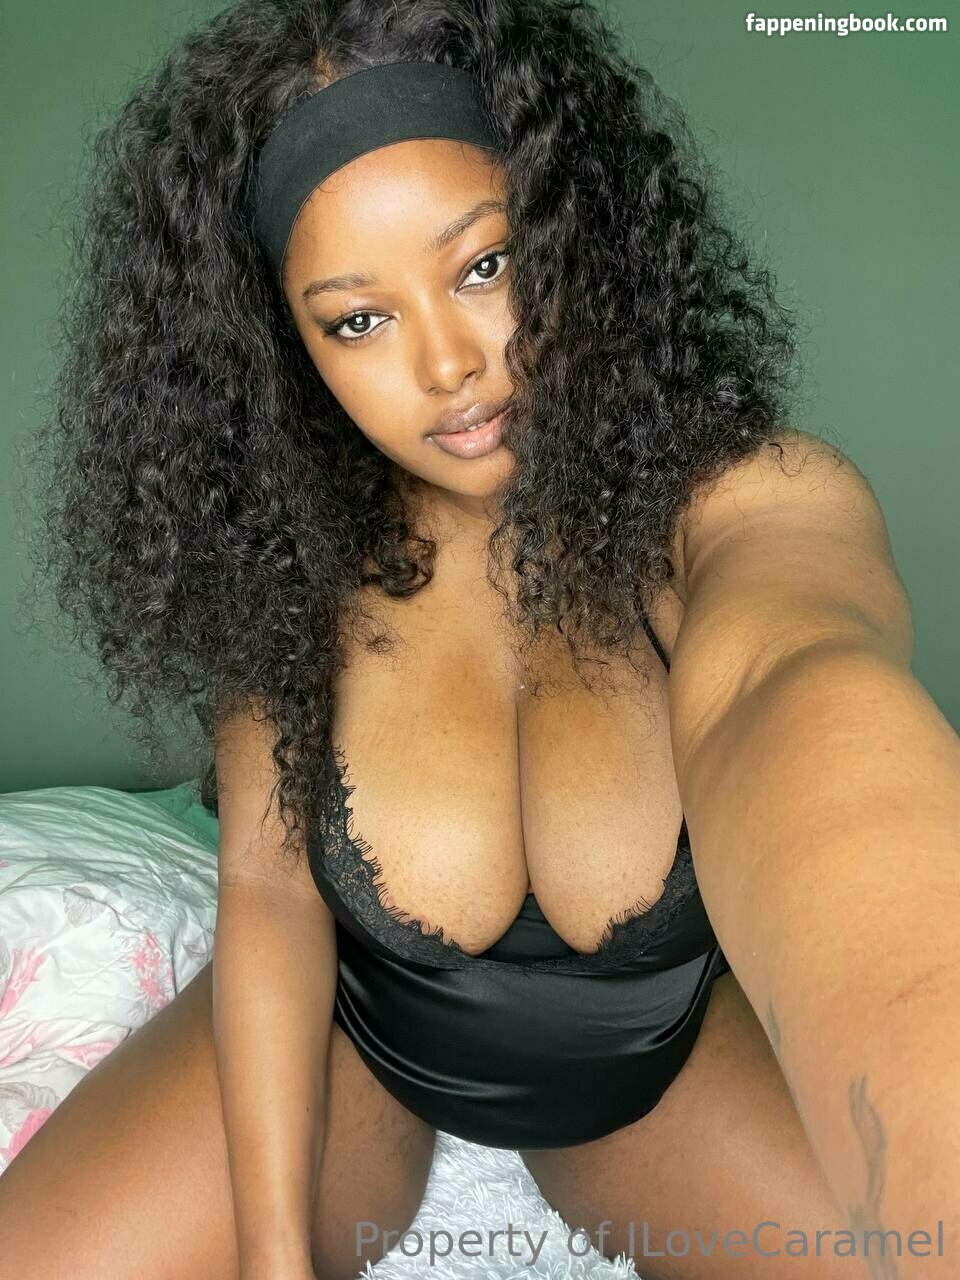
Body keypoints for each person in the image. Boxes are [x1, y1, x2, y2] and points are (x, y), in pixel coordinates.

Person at [6, 2, 956, 1279]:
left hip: (652, 1082)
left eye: (484, 265)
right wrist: (277, 1255)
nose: (449, 364)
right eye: (358, 319)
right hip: (365, 1054)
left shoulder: (743, 505)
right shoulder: (283, 558)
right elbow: (273, 891)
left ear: (574, 231)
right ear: (285, 348)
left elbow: (794, 690)